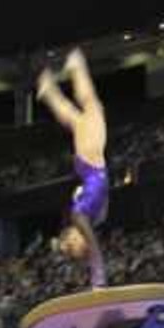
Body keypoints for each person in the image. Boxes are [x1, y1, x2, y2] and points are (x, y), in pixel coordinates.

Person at [37, 48, 109, 289]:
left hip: (92, 162)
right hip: (91, 165)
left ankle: (75, 67)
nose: (85, 246)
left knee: (91, 107)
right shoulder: (87, 217)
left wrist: (98, 275)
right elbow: (96, 197)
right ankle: (51, 90)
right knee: (79, 116)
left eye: (79, 247)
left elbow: (95, 250)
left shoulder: (79, 217)